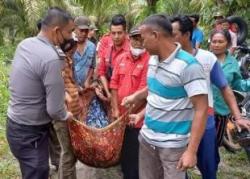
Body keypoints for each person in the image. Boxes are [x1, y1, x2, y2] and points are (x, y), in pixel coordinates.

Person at [122, 14, 209, 179]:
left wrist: (191, 151)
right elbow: (156, 88)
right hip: (147, 139)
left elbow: (201, 109)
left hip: (172, 146)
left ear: (155, 35)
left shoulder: (189, 66)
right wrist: (136, 96)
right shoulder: (153, 59)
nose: (140, 43)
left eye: (143, 38)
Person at [171, 15, 250, 179]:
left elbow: (225, 87)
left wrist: (238, 117)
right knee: (176, 168)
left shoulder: (207, 58)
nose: (169, 38)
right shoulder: (167, 59)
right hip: (177, 123)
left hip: (205, 122)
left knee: (208, 166)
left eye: (173, 33)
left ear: (187, 34)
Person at [6, 7, 74, 179]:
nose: (71, 37)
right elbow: (55, 111)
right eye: (69, 32)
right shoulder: (51, 58)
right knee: (37, 174)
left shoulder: (25, 44)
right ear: (57, 31)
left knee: (29, 172)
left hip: (14, 125)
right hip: (31, 134)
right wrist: (67, 115)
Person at [110, 26, 149, 179]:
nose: (138, 42)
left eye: (141, 38)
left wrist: (127, 114)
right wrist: (114, 109)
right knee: (125, 157)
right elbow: (113, 85)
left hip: (137, 121)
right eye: (135, 38)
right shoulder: (121, 58)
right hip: (120, 118)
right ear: (129, 39)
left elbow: (144, 93)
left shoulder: (149, 60)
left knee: (136, 158)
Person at [210, 29, 250, 146]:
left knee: (215, 142)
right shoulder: (204, 59)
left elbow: (237, 83)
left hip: (221, 110)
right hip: (203, 108)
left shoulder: (232, 63)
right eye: (214, 41)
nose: (216, 45)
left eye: (220, 42)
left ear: (227, 44)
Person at [53, 37, 81, 179]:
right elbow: (56, 87)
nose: (74, 52)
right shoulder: (57, 61)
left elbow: (70, 83)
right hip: (64, 114)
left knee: (70, 153)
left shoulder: (67, 61)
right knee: (68, 153)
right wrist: (67, 98)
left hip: (71, 113)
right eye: (72, 50)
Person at [97, 14, 130, 100]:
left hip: (126, 97)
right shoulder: (107, 48)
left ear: (125, 32)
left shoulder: (132, 50)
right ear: (110, 33)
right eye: (113, 33)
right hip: (109, 93)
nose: (116, 37)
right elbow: (101, 72)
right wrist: (108, 93)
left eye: (119, 33)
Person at [73, 16, 96, 90]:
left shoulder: (92, 46)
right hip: (71, 87)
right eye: (81, 30)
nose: (84, 33)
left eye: (86, 31)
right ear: (75, 29)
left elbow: (92, 66)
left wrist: (88, 80)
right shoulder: (69, 46)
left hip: (85, 87)